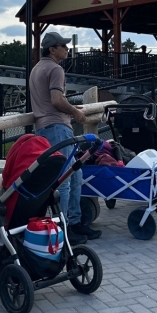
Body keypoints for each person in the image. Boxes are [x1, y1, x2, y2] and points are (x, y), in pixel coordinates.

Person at [29, 31, 99, 242]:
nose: (67, 49)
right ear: (52, 49)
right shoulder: (55, 68)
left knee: (74, 175)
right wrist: (75, 112)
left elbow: (51, 100)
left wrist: (68, 107)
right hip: (58, 127)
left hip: (44, 128)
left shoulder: (36, 69)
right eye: (63, 46)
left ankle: (75, 222)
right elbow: (57, 99)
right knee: (65, 180)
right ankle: (66, 227)